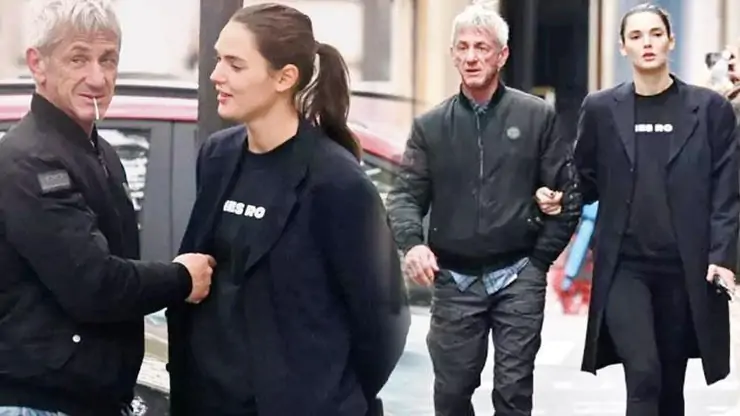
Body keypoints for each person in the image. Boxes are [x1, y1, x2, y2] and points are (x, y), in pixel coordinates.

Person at [166, 3, 410, 416]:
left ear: (285, 78)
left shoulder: (338, 183)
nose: (216, 75)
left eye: (235, 64)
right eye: (218, 59)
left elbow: (384, 324)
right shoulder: (217, 156)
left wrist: (326, 399)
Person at [0, 1, 215, 415]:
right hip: (41, 403)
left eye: (108, 59)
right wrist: (181, 278)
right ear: (37, 64)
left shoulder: (100, 153)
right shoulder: (29, 160)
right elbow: (94, 284)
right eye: (78, 59)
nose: (97, 78)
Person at [537, 4, 739, 415]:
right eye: (636, 36)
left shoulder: (709, 109)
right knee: (644, 373)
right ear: (623, 46)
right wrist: (559, 197)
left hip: (685, 269)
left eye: (655, 34)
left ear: (670, 40)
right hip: (624, 269)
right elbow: (583, 178)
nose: (647, 43)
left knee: (670, 385)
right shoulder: (601, 108)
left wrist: (723, 257)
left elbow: (727, 191)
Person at [385, 3, 581, 415]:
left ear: (502, 55)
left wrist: (539, 262)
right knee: (452, 393)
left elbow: (568, 194)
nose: (471, 57)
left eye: (482, 47)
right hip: (454, 279)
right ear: (453, 54)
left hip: (518, 273)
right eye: (463, 47)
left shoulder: (537, 117)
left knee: (513, 393)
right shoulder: (430, 126)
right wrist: (413, 244)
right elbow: (405, 195)